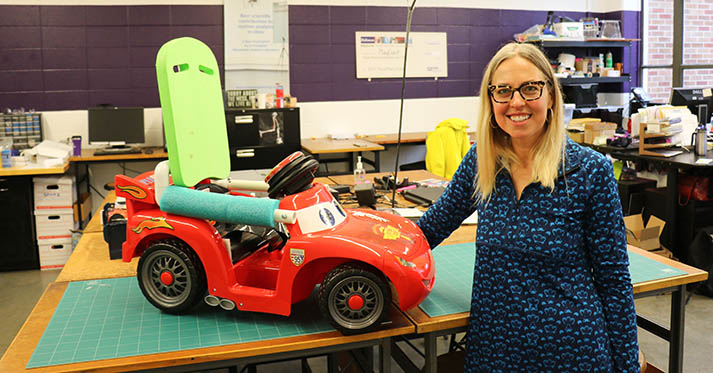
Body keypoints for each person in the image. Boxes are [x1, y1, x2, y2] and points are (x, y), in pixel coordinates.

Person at [416, 42, 640, 372]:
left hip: (571, 352)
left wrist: (627, 364)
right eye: (503, 91)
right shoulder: (482, 164)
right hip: (494, 350)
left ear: (551, 95)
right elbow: (429, 228)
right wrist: (371, 248)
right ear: (490, 100)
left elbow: (614, 280)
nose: (516, 102)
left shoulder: (590, 171)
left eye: (530, 88)